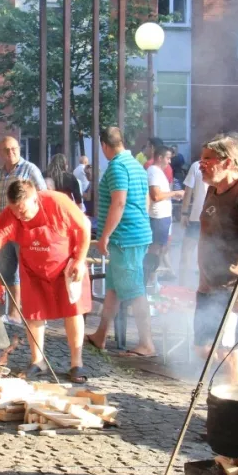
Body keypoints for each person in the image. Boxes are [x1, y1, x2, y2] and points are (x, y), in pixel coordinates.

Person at [0, 180, 92, 383]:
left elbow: (84, 225)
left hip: (67, 263)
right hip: (33, 267)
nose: (20, 216)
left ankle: (76, 364)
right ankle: (37, 361)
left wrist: (79, 259)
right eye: (15, 212)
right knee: (33, 313)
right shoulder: (10, 215)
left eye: (23, 211)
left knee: (73, 311)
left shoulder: (57, 201)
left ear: (36, 199)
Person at [194, 133, 238, 385]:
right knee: (203, 348)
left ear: (227, 162)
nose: (201, 164)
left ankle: (232, 407)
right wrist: (202, 278)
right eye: (201, 159)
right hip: (208, 284)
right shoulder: (212, 190)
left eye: (207, 159)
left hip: (231, 285)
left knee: (226, 350)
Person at [84, 127, 155, 358]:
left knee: (134, 290)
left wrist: (104, 235)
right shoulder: (136, 164)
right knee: (114, 288)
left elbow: (119, 202)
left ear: (105, 145)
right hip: (134, 234)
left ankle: (146, 344)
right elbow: (145, 200)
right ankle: (101, 335)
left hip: (125, 237)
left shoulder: (117, 166)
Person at [0, 136, 47, 323]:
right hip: (4, 231)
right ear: (0, 153)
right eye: (6, 150)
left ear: (19, 149)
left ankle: (36, 312)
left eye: (13, 149)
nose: (10, 153)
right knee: (8, 271)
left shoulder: (30, 169)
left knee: (30, 271)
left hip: (26, 229)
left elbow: (43, 196)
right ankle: (14, 313)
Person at [147, 144, 183, 283]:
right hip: (158, 217)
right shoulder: (154, 171)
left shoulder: (158, 172)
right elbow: (155, 196)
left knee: (162, 248)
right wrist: (175, 193)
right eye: (167, 158)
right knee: (155, 249)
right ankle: (150, 280)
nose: (169, 161)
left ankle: (152, 279)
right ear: (160, 157)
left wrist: (172, 195)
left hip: (163, 216)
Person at [179, 152, 209, 286]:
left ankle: (183, 286)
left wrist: (184, 213)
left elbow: (188, 192)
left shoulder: (196, 166)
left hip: (197, 217)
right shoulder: (224, 166)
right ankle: (207, 290)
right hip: (214, 218)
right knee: (210, 254)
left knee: (187, 252)